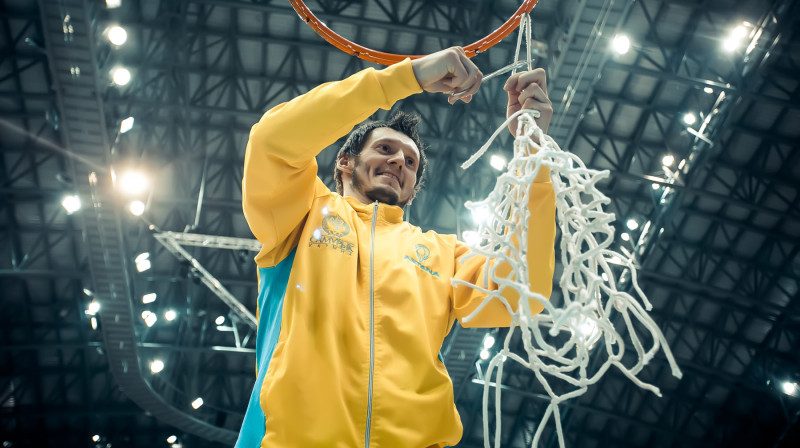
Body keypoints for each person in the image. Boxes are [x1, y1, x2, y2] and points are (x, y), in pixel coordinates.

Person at [236, 47, 556, 448]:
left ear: (412, 190)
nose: (400, 162)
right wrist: (406, 78)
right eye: (385, 149)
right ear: (345, 163)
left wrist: (533, 149)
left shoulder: (443, 254)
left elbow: (520, 293)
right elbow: (271, 141)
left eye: (410, 161)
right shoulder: (300, 216)